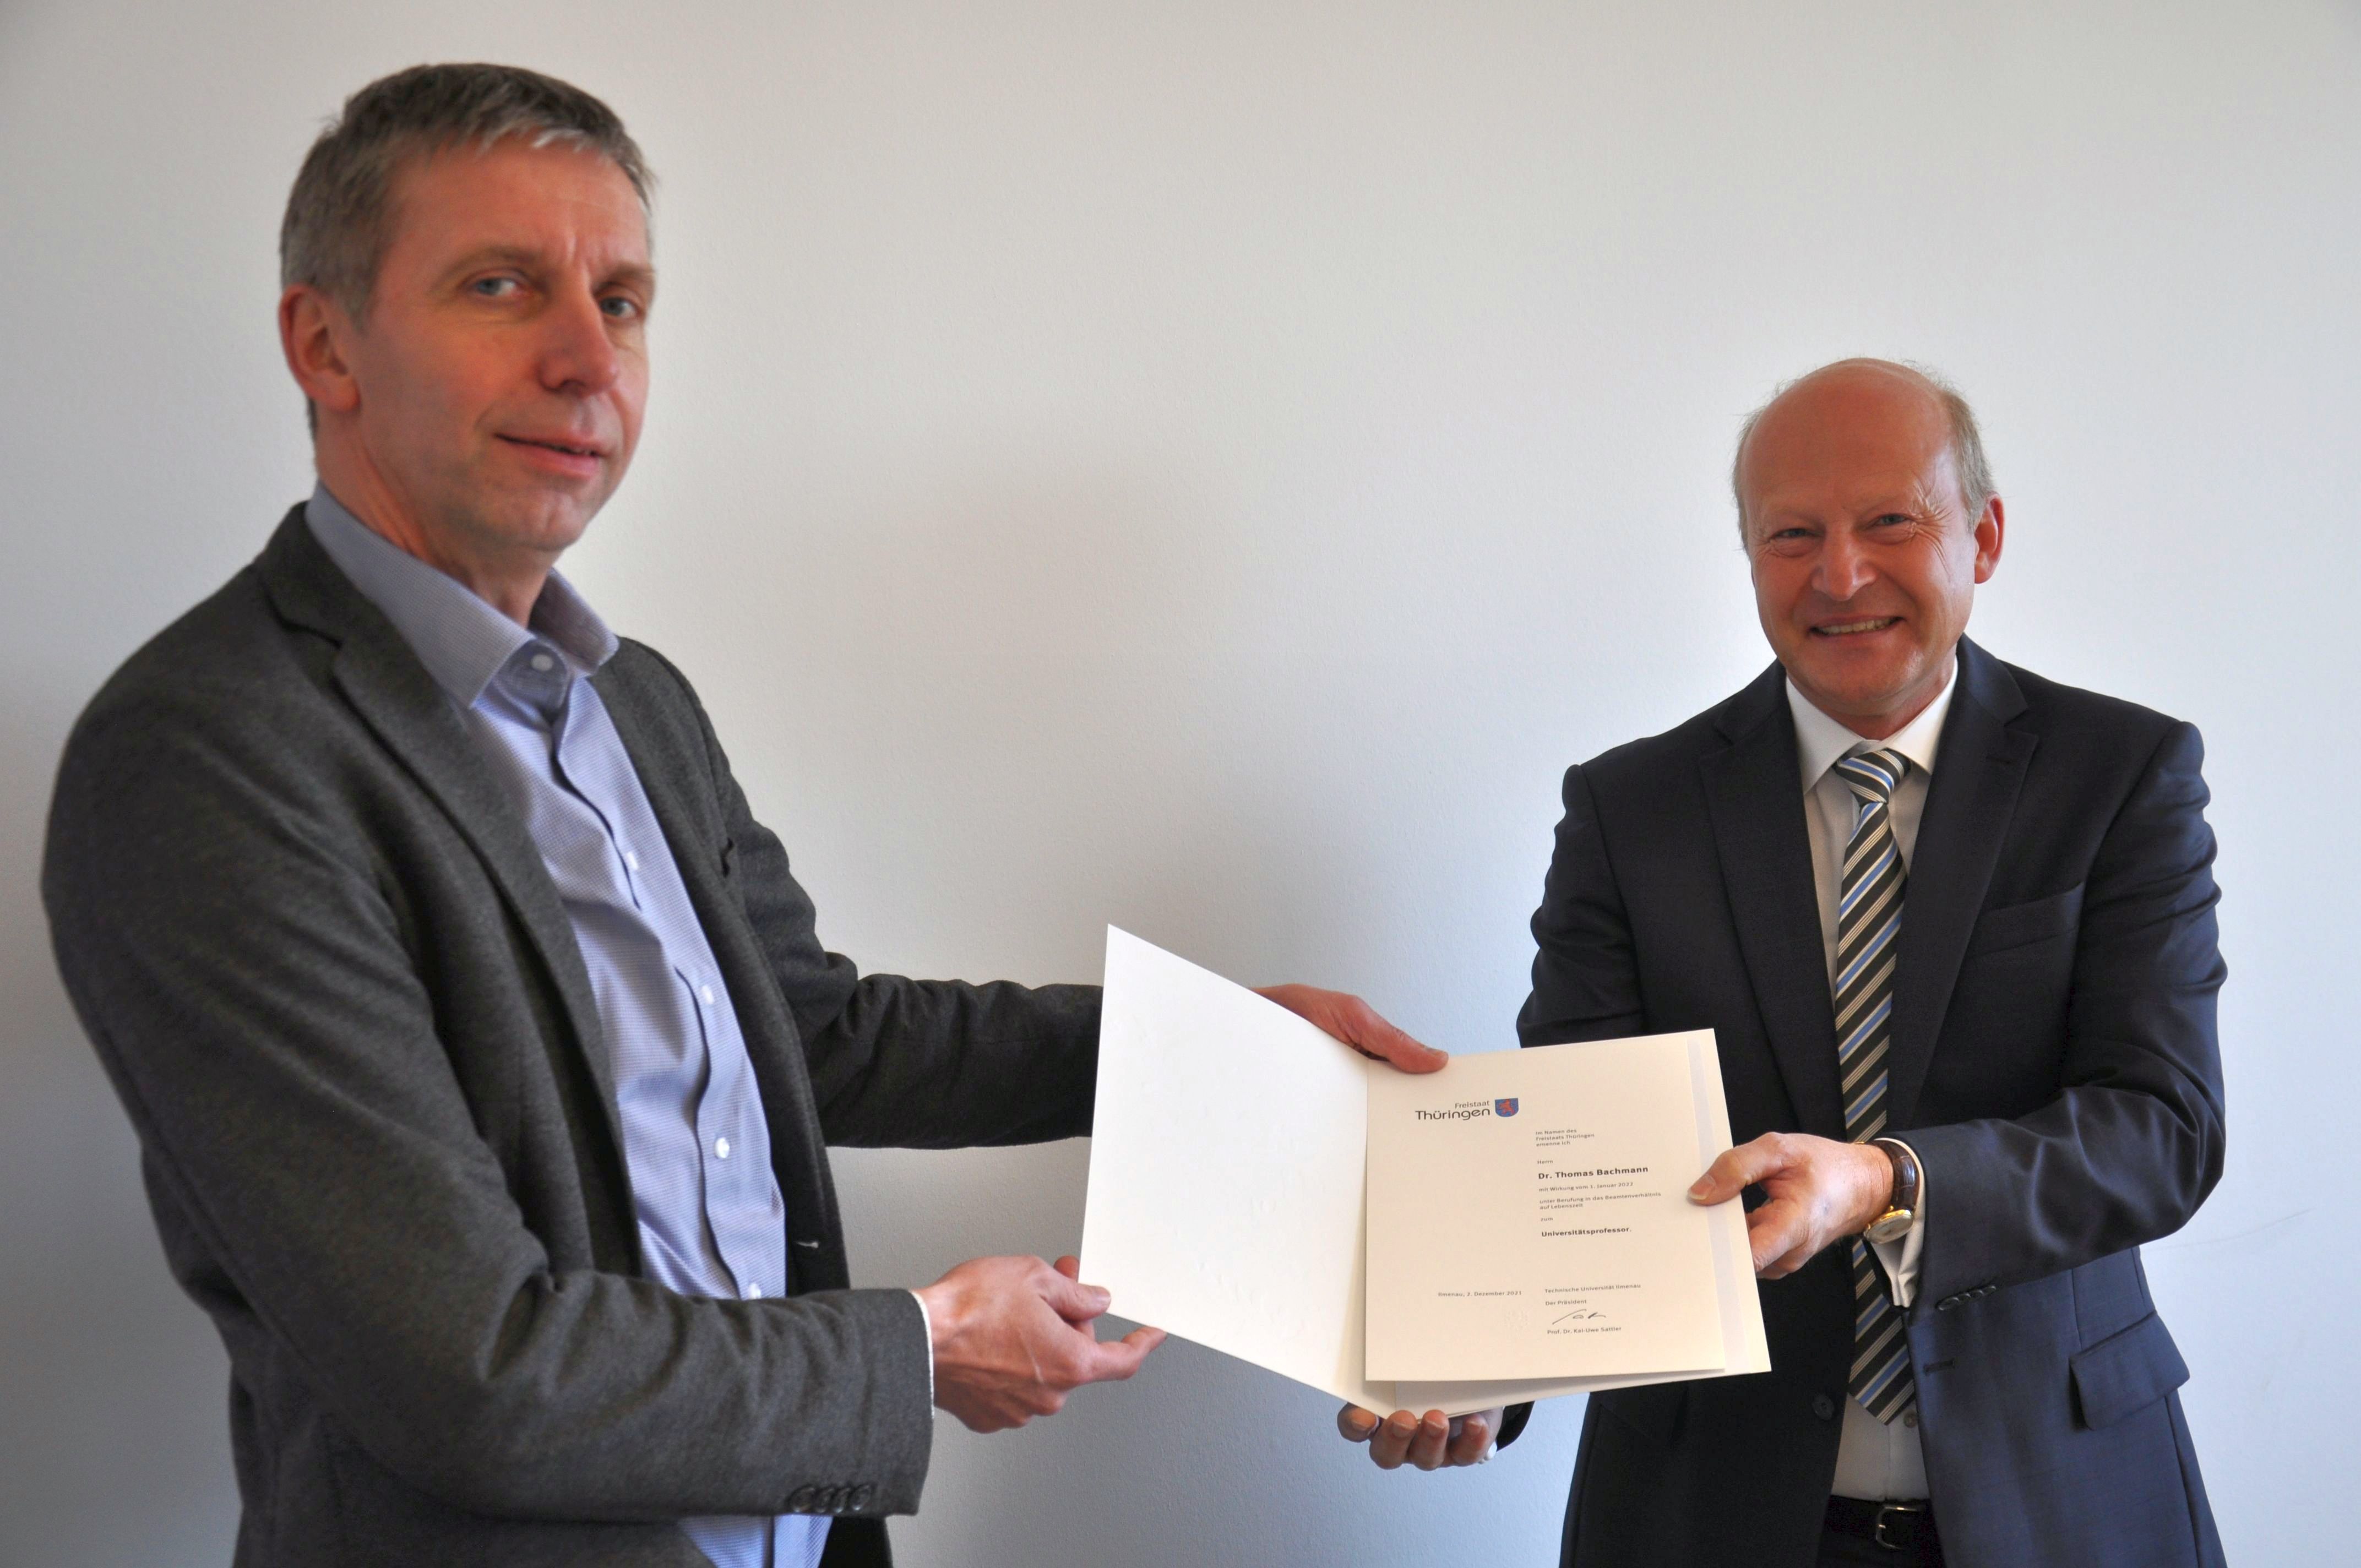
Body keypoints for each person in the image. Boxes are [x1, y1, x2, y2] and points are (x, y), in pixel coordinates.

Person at [41, 64, 1445, 1568]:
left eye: (623, 302)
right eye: (501, 286)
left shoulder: (631, 699)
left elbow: (811, 1035)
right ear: (325, 343)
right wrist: (918, 1350)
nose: (588, 359)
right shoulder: (207, 755)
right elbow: (475, 1373)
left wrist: (1200, 1053)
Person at [1338, 359, 2227, 1568]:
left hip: (2062, 1499)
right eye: (1791, 534)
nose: (1840, 575)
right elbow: (1571, 1139)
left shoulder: (2121, 774)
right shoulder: (1630, 809)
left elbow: (2161, 1127)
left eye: (1890, 521)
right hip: (1700, 1511)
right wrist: (1482, 1373)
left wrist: (1886, 1181)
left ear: (1983, 535)